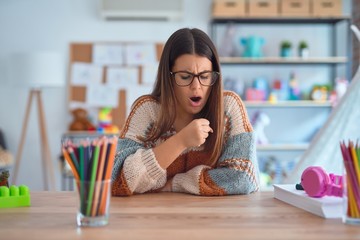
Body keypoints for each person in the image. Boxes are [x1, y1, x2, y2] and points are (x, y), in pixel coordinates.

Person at [111, 28, 259, 196]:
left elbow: (244, 178)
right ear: (169, 77)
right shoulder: (147, 111)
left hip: (215, 219)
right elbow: (118, 181)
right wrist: (180, 141)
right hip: (156, 217)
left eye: (204, 76)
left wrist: (176, 183)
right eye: (185, 77)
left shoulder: (229, 107)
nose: (196, 86)